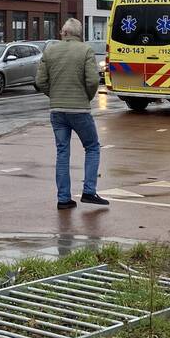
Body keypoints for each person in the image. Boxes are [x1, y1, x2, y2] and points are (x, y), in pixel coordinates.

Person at [35, 18, 109, 210]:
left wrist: (54, 95)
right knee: (92, 147)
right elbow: (93, 80)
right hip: (79, 110)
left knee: (62, 152)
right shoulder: (85, 51)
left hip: (57, 111)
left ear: (64, 33)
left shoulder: (50, 51)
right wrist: (87, 97)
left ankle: (63, 198)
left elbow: (40, 81)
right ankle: (89, 191)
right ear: (79, 34)